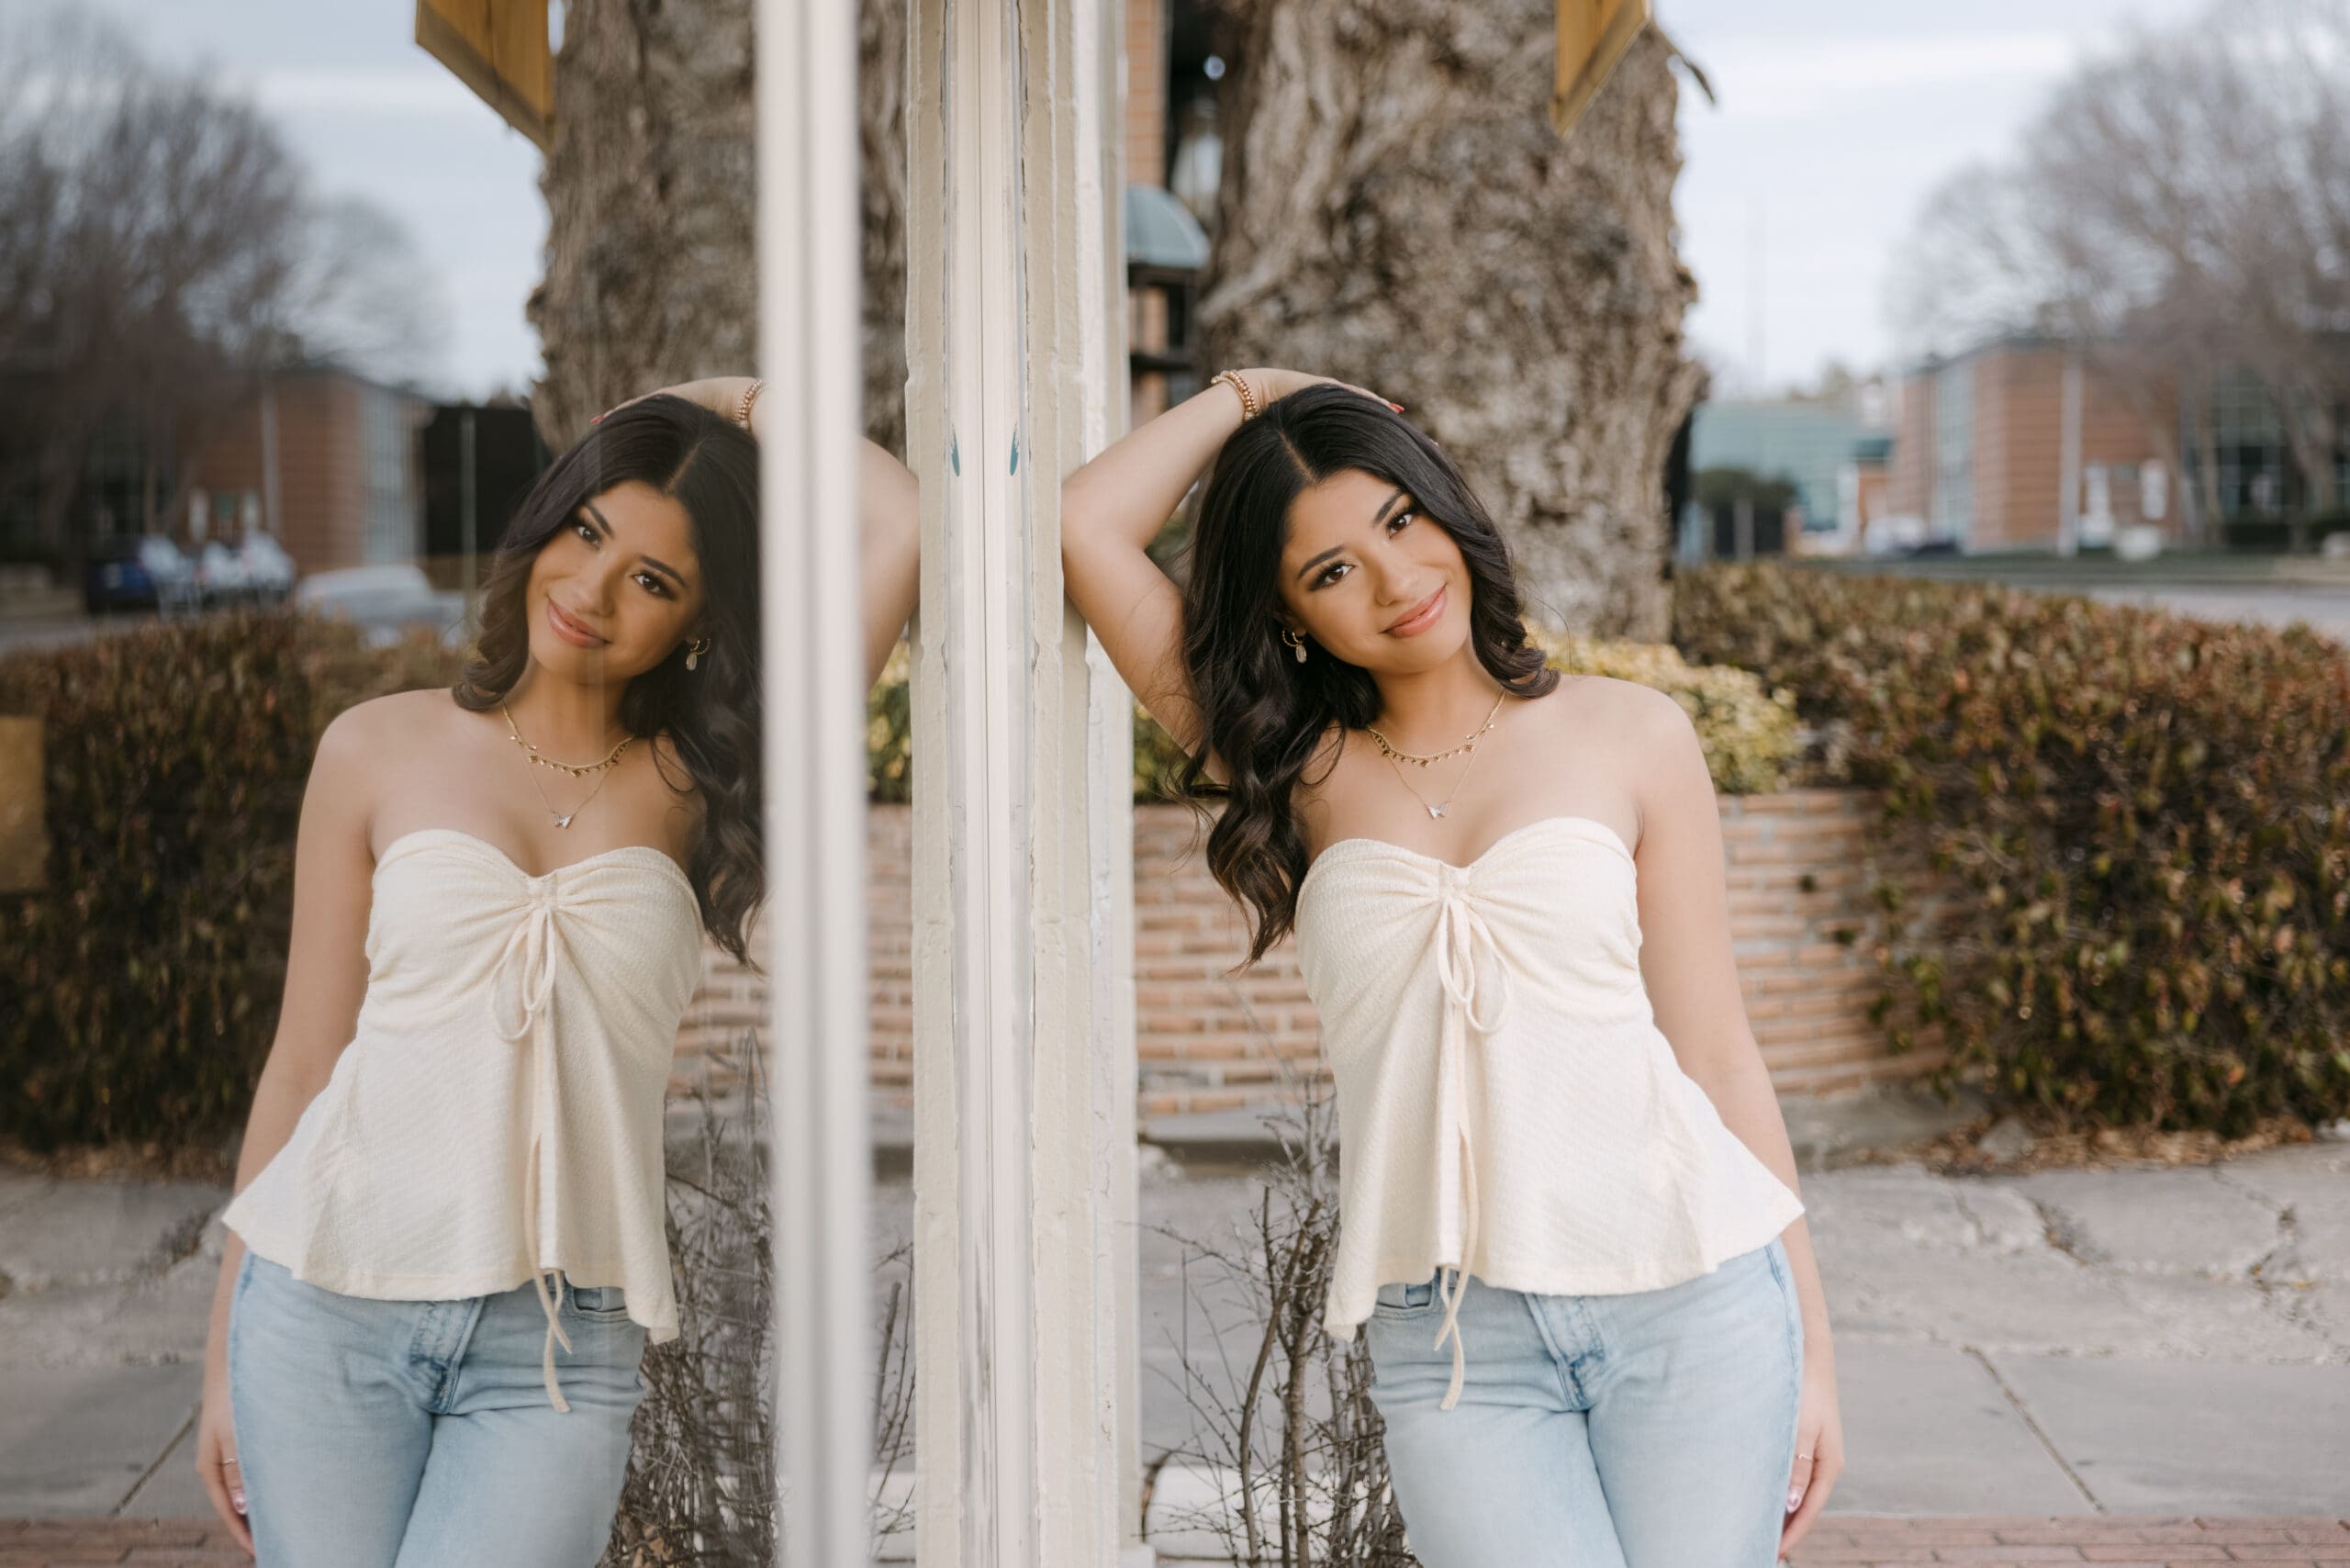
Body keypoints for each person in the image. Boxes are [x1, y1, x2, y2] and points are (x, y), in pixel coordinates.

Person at [1058, 373, 1844, 1566]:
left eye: (1400, 519)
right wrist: (1258, 393)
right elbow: (1083, 525)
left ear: (1446, 509)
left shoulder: (1633, 733)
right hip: (1459, 1343)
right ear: (1288, 614)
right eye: (1332, 570)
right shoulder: (1298, 769)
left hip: (1694, 1293)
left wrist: (1815, 1352)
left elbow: (1716, 1052)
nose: (1394, 580)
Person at [193, 381, 919, 1565]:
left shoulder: (702, 784)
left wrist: (723, 404)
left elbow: (898, 522)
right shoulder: (373, 747)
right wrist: (221, 1355)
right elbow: (303, 1065)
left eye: (653, 579)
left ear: (697, 621)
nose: (591, 591)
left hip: (554, 1348)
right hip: (323, 1304)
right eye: (586, 532)